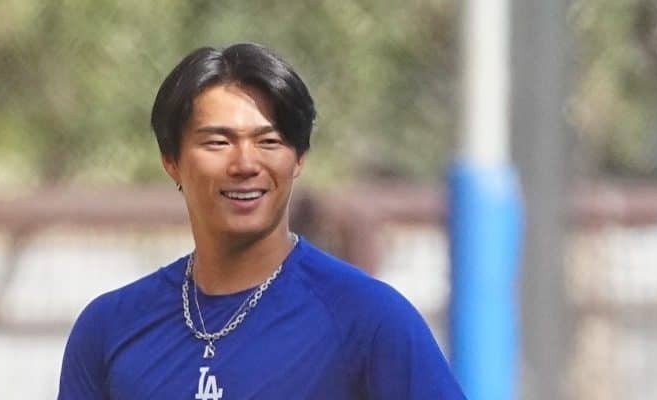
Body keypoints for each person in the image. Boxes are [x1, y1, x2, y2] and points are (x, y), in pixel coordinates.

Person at [58, 42, 465, 399]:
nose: (245, 164)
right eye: (218, 142)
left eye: (269, 141)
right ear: (171, 160)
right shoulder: (110, 328)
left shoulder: (369, 320)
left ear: (298, 159)